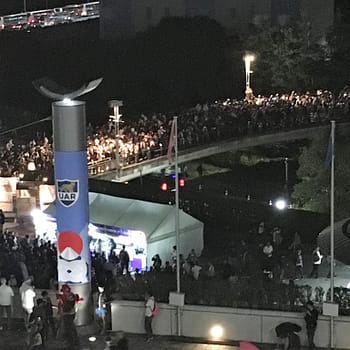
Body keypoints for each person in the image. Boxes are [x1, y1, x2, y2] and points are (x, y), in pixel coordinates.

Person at [57, 284, 79, 349]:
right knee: (70, 327)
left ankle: (71, 343)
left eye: (65, 291)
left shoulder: (70, 296)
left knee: (69, 329)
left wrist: (63, 311)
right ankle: (73, 341)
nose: (65, 292)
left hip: (68, 314)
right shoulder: (66, 296)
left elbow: (69, 304)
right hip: (67, 314)